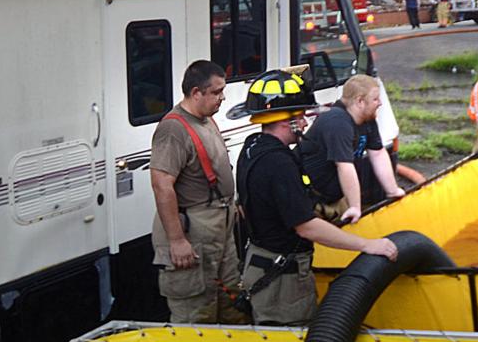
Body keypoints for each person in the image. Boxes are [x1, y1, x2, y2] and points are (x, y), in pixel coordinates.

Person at [232, 69, 398, 326]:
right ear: (287, 122)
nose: (305, 124)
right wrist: (367, 245)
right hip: (283, 281)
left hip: (261, 262)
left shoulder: (252, 148)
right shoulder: (279, 163)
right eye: (300, 118)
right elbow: (307, 226)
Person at [149, 59, 246, 324]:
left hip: (219, 229)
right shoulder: (173, 129)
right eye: (216, 92)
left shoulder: (206, 120)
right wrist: (177, 240)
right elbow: (161, 184)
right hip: (195, 232)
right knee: (197, 313)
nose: (223, 98)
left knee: (230, 302)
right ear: (195, 93)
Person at [298, 74, 406, 224]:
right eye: (375, 99)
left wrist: (392, 191)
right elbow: (344, 166)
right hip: (309, 199)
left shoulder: (367, 119)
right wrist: (355, 207)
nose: (380, 103)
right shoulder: (337, 122)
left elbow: (378, 153)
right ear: (360, 101)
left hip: (334, 196)